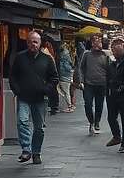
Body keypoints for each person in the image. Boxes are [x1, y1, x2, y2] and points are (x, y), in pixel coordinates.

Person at [10, 31, 58, 165]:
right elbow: (13, 76)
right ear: (27, 42)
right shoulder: (20, 58)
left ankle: (36, 152)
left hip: (40, 99)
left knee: (39, 128)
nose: (33, 44)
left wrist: (46, 89)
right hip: (23, 96)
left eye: (36, 42)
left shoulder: (47, 59)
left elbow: (54, 78)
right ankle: (26, 149)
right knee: (22, 121)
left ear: (40, 43)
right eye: (31, 41)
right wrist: (17, 90)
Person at [75, 34, 110, 135]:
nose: (96, 43)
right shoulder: (87, 54)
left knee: (99, 105)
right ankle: (91, 121)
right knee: (88, 104)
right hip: (88, 84)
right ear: (91, 43)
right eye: (94, 41)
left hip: (102, 84)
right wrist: (81, 81)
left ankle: (97, 122)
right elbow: (81, 68)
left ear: (101, 43)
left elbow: (110, 69)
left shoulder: (106, 55)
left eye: (98, 41)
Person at [105, 37, 124, 153]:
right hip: (112, 95)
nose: (114, 51)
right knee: (111, 117)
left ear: (123, 47)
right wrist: (108, 91)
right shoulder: (112, 62)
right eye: (113, 48)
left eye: (117, 48)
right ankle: (117, 136)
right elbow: (108, 77)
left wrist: (120, 89)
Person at [58, 45, 75, 113]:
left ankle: (70, 106)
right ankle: (70, 105)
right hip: (66, 76)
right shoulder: (67, 56)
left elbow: (66, 68)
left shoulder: (63, 58)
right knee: (66, 91)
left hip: (64, 76)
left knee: (66, 92)